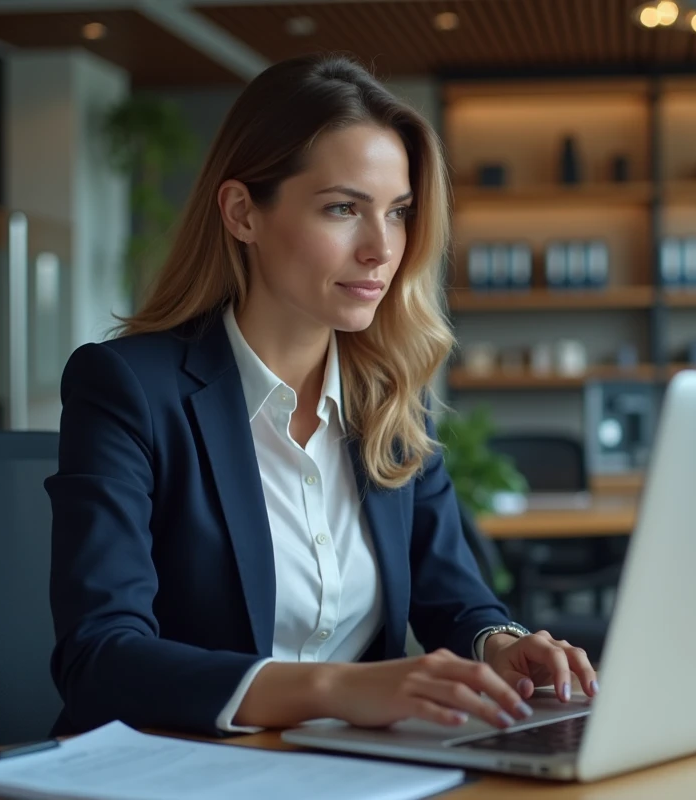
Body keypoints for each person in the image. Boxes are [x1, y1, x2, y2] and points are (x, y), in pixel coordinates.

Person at [46, 54, 598, 737]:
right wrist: (336, 689)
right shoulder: (127, 389)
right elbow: (100, 658)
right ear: (242, 213)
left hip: (354, 770)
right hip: (180, 767)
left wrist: (502, 644)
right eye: (343, 208)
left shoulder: (390, 400)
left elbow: (455, 602)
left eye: (398, 214)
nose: (381, 250)